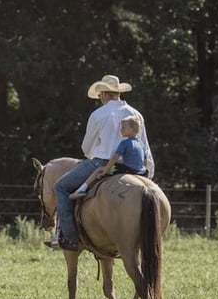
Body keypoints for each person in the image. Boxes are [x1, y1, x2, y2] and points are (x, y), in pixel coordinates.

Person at [49, 75, 155, 250]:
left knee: (60, 187)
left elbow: (87, 148)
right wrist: (148, 172)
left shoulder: (98, 114)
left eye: (100, 95)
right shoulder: (136, 114)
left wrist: (95, 156)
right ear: (118, 93)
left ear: (105, 94)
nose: (100, 98)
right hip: (136, 167)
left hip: (102, 163)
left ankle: (69, 238)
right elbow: (145, 146)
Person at [68, 115, 149, 200]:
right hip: (141, 172)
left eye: (123, 128)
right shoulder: (141, 143)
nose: (121, 130)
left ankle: (82, 189)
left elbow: (115, 158)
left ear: (132, 129)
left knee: (99, 169)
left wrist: (105, 170)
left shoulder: (125, 143)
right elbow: (145, 162)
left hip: (128, 170)